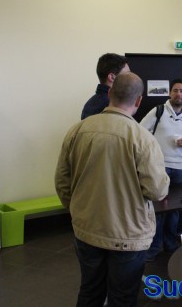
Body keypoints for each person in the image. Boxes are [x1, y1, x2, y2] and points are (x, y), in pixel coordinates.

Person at [55, 72, 169, 307]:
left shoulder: (78, 130)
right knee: (122, 297)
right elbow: (157, 191)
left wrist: (77, 209)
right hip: (128, 235)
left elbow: (62, 182)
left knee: (90, 291)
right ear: (139, 100)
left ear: (109, 94)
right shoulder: (143, 138)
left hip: (86, 228)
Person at [140, 79, 182, 261]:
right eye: (175, 90)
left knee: (175, 209)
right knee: (157, 208)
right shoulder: (158, 111)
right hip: (159, 167)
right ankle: (154, 246)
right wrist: (152, 149)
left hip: (180, 168)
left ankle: (170, 244)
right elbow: (140, 132)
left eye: (181, 91)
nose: (178, 94)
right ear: (169, 93)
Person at [81, 53, 130, 119]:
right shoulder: (111, 105)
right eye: (127, 74)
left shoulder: (90, 103)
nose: (130, 78)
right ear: (112, 77)